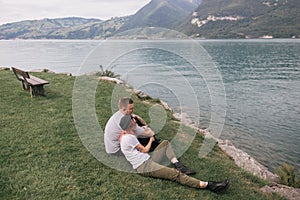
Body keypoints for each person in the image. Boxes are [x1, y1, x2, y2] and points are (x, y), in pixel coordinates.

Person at [118, 114, 230, 193]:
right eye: (132, 119)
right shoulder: (129, 138)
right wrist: (151, 140)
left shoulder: (129, 133)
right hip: (144, 166)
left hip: (146, 159)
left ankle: (177, 163)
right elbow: (145, 150)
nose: (134, 119)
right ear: (129, 124)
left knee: (165, 143)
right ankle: (208, 185)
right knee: (174, 174)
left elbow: (145, 128)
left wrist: (140, 122)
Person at [104, 97, 196, 175]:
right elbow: (150, 133)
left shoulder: (119, 116)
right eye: (130, 109)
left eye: (133, 108)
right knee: (152, 139)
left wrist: (137, 118)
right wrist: (145, 126)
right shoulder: (128, 124)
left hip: (112, 147)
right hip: (117, 150)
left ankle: (175, 162)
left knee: (148, 138)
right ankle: (173, 161)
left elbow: (133, 117)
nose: (132, 111)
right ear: (124, 109)